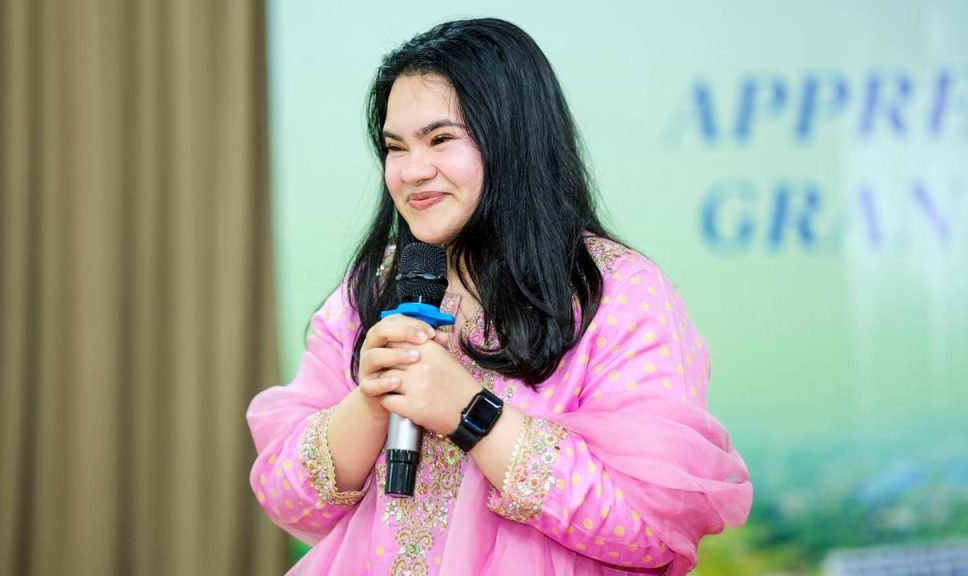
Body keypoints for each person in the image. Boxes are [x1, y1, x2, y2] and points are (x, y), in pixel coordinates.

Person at [247, 17, 751, 576]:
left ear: (513, 140)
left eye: (441, 139)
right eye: (395, 147)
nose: (413, 171)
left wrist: (471, 412)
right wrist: (372, 401)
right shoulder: (373, 285)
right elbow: (287, 500)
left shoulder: (616, 292)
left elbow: (651, 531)